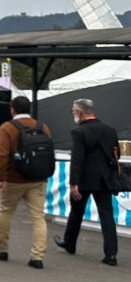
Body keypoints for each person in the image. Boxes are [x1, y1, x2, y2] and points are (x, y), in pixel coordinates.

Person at [54, 98, 120, 266]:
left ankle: (69, 243)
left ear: (81, 113)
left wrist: (73, 183)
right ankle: (111, 254)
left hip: (84, 179)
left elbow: (77, 159)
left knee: (76, 212)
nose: (73, 114)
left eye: (73, 111)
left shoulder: (79, 132)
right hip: (104, 178)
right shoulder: (110, 130)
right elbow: (116, 155)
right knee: (107, 215)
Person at [0, 96, 50, 269]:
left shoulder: (7, 128)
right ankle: (37, 256)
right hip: (38, 179)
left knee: (5, 212)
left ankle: (2, 248)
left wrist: (0, 178)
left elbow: (2, 155)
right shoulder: (42, 127)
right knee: (38, 217)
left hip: (14, 179)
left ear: (12, 110)